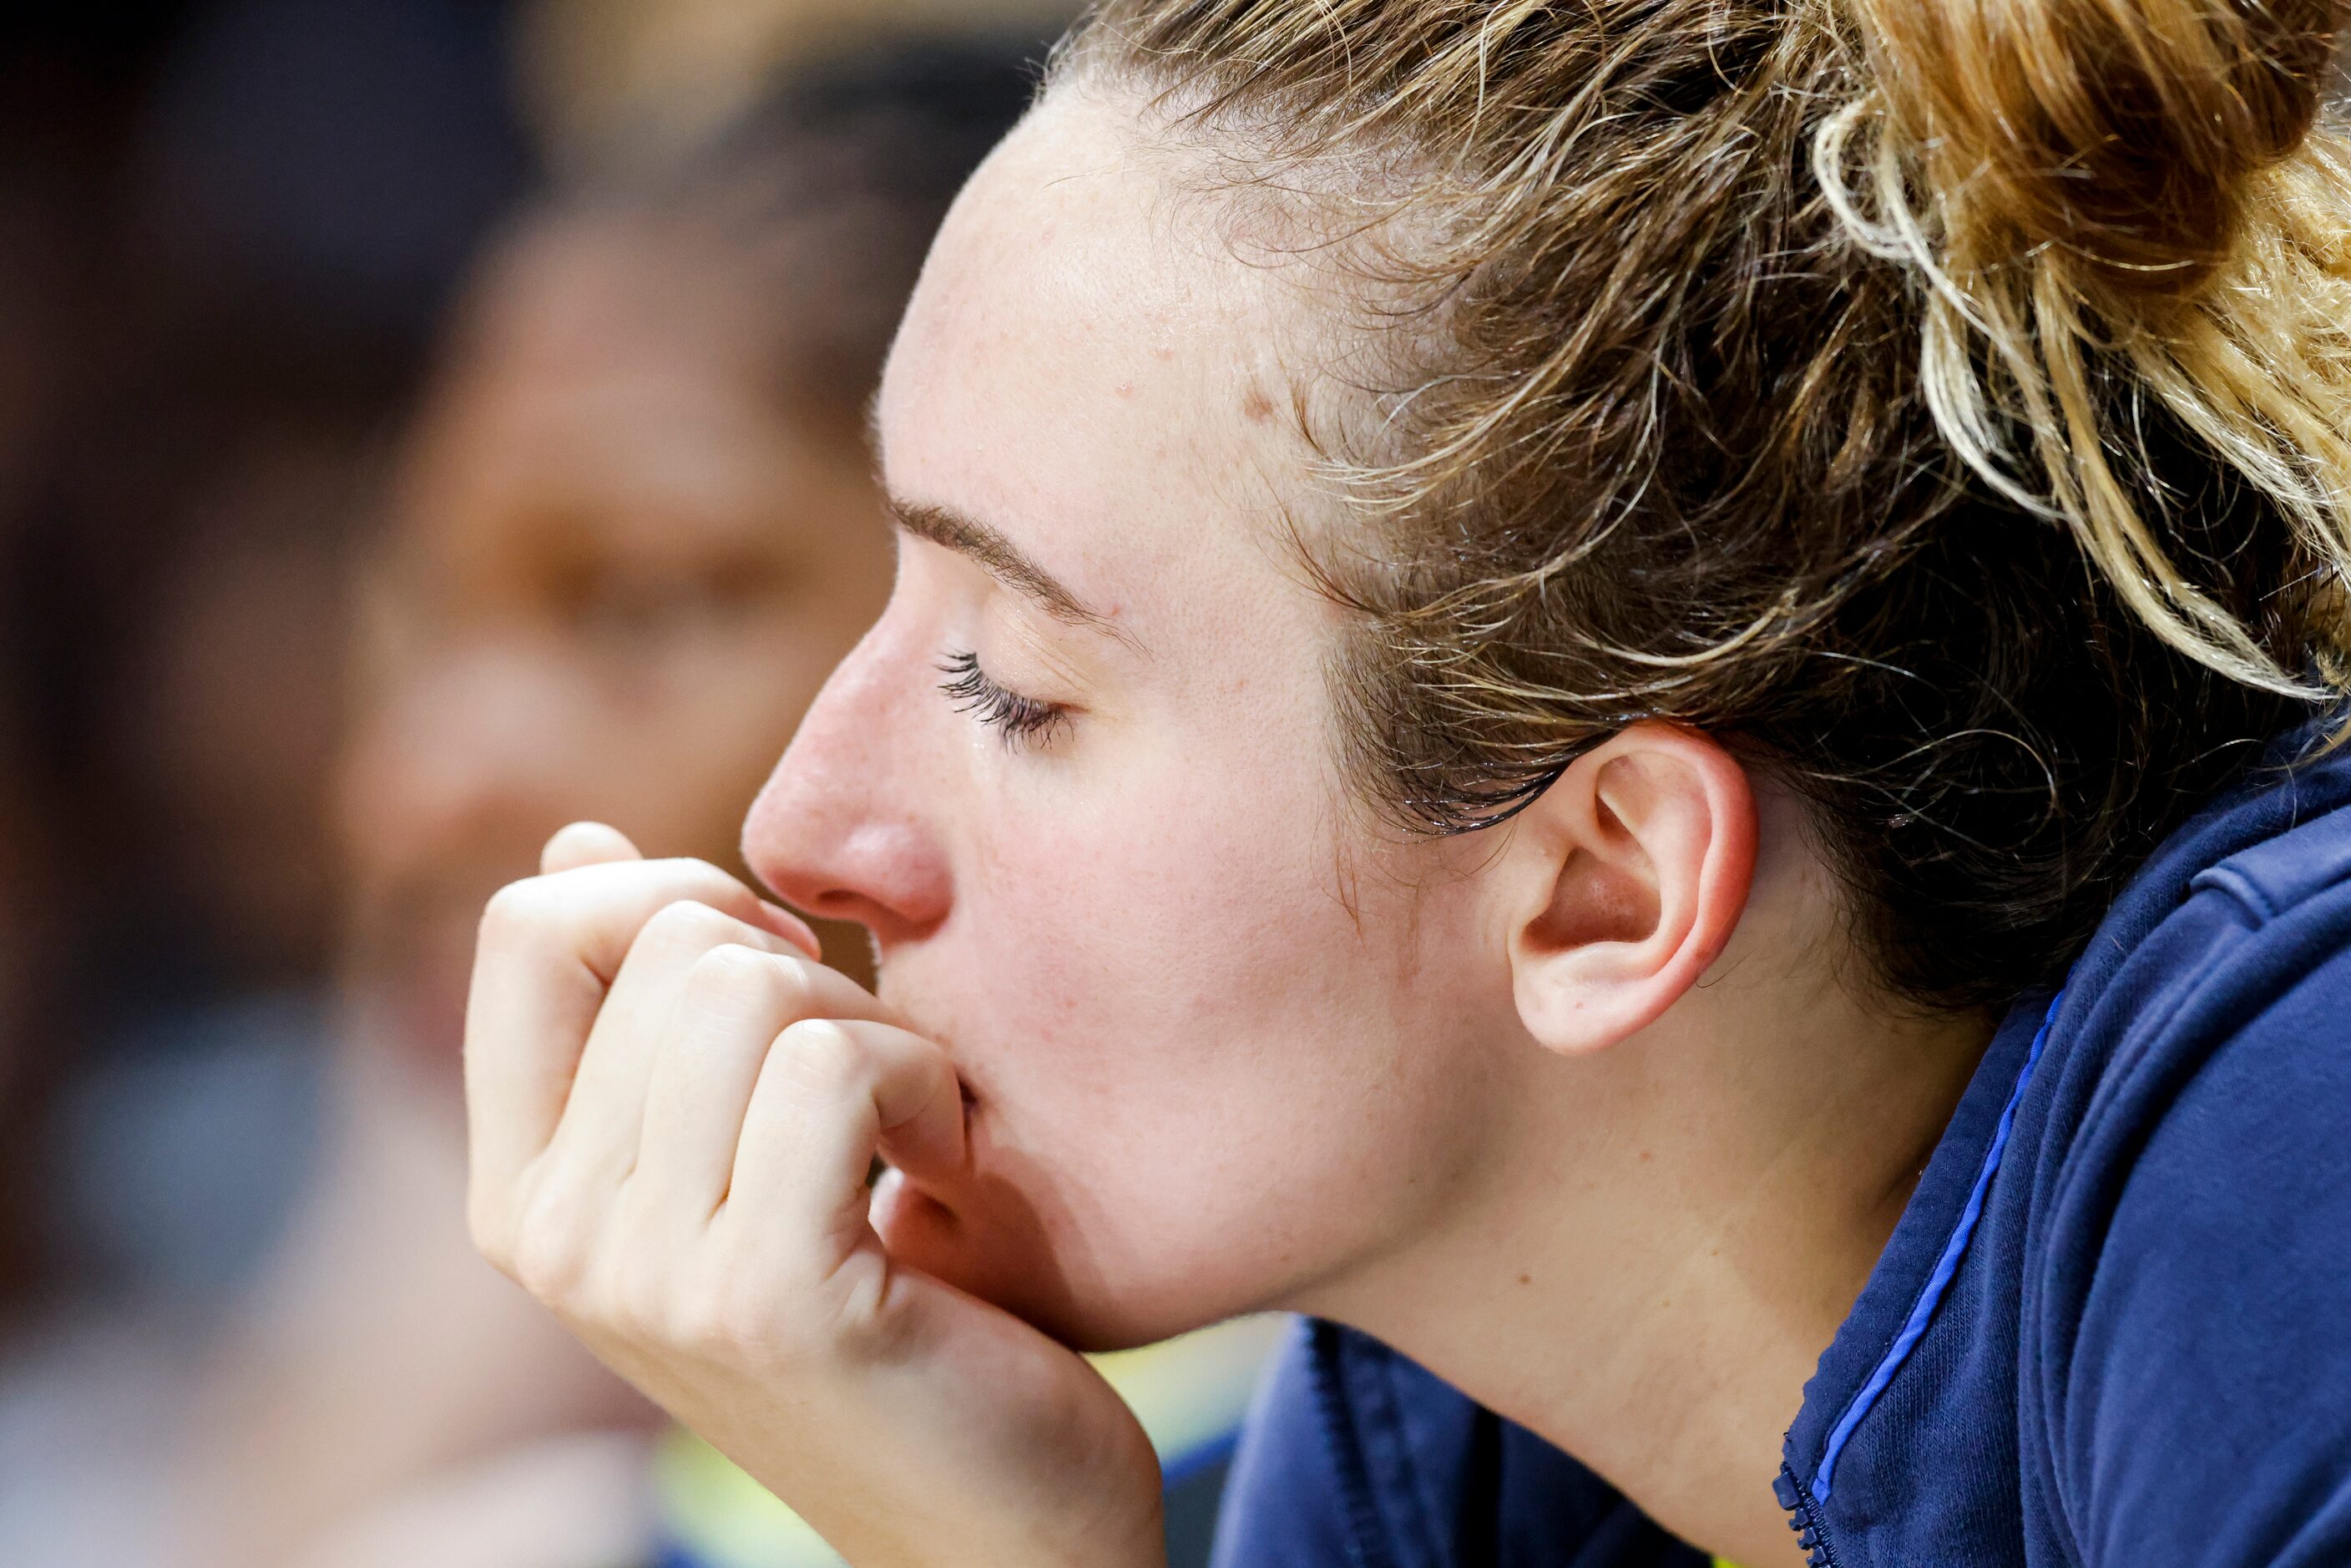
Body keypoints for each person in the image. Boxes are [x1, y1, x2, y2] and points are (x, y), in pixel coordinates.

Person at [457, 1, 2351, 1565]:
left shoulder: (2295, 1147)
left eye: (1010, 684)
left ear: (1605, 885)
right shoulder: (1440, 1423)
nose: (801, 831)